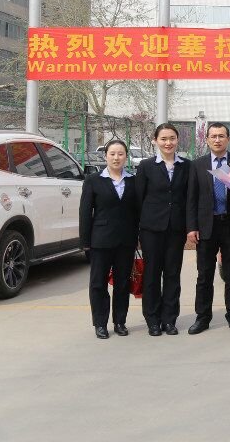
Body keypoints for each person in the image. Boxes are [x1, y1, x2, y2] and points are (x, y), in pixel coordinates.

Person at [185, 122, 230, 335]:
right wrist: (191, 227)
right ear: (207, 139)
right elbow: (191, 198)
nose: (217, 139)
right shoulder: (197, 165)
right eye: (213, 136)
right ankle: (202, 317)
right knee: (204, 275)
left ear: (228, 139)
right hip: (205, 227)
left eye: (221, 136)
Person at [79, 139, 140, 339]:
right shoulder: (93, 180)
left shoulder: (133, 181)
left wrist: (138, 237)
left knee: (122, 283)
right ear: (105, 156)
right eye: (112, 154)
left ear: (126, 156)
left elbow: (137, 212)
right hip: (100, 241)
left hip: (126, 241)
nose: (116, 158)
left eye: (120, 154)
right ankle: (100, 323)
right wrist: (85, 241)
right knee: (98, 283)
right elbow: (85, 212)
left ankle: (120, 321)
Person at [136, 123, 191, 336]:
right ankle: (152, 319)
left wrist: (189, 228)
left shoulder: (187, 166)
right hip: (151, 229)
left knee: (172, 275)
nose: (168, 143)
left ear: (177, 140)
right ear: (155, 141)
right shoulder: (146, 166)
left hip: (176, 229)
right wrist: (139, 230)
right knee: (151, 274)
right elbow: (138, 200)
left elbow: (188, 198)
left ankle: (169, 319)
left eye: (172, 138)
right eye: (163, 139)